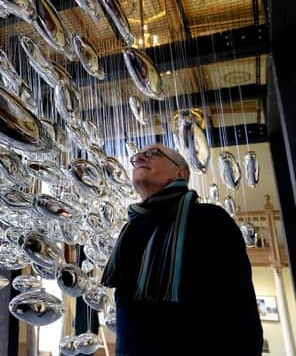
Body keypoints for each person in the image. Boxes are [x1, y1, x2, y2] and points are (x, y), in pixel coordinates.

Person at [100, 144, 263, 356]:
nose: (139, 157)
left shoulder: (210, 218)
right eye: (137, 156)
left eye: (153, 153)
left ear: (181, 172)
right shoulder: (130, 229)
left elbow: (239, 309)